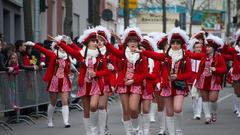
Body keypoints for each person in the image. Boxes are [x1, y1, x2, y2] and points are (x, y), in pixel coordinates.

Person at [137, 27, 191, 135]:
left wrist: (178, 76)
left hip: (179, 86)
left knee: (178, 108)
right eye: (173, 43)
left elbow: (189, 74)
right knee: (169, 112)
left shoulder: (186, 57)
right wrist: (143, 52)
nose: (175, 45)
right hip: (167, 86)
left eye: (178, 43)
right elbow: (155, 55)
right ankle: (171, 133)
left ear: (181, 45)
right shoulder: (166, 56)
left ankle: (179, 130)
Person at [56, 29, 108, 135]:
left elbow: (106, 70)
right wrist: (59, 42)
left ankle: (95, 129)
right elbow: (70, 51)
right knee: (86, 110)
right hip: (84, 84)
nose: (95, 43)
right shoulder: (81, 54)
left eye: (96, 41)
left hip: (96, 84)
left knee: (94, 106)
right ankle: (89, 132)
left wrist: (96, 74)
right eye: (93, 41)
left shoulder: (100, 55)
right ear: (88, 43)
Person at [104, 27, 148, 135]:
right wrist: (106, 42)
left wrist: (133, 80)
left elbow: (145, 74)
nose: (132, 43)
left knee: (133, 108)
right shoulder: (123, 54)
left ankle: (136, 128)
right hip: (123, 85)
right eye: (130, 41)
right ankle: (129, 132)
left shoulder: (142, 56)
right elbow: (113, 50)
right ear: (127, 43)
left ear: (138, 43)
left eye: (135, 41)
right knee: (126, 110)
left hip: (135, 84)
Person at [25, 35, 73, 128]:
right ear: (58, 47)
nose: (64, 48)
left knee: (65, 101)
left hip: (64, 80)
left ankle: (66, 121)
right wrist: (33, 44)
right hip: (54, 80)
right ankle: (49, 120)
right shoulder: (54, 55)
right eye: (62, 46)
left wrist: (70, 74)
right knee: (53, 102)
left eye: (65, 46)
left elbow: (69, 67)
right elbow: (44, 51)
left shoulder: (67, 57)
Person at [186, 34, 227, 124]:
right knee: (204, 98)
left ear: (214, 48)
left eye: (209, 47)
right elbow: (190, 55)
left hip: (214, 80)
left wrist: (216, 69)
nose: (207, 48)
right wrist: (183, 48)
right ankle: (207, 116)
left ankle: (214, 112)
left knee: (213, 99)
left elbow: (224, 69)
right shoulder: (203, 56)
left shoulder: (219, 57)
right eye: (207, 46)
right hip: (203, 80)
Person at [96, 26, 117, 135]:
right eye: (97, 40)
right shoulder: (92, 52)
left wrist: (113, 84)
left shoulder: (110, 53)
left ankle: (103, 128)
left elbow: (114, 71)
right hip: (95, 83)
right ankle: (98, 127)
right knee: (95, 106)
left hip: (106, 83)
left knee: (102, 106)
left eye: (101, 40)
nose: (99, 42)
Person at [222, 29, 240, 118]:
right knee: (237, 92)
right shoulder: (235, 50)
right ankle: (237, 108)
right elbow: (225, 51)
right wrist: (226, 43)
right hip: (237, 73)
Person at [187, 38, 204, 120]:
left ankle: (198, 113)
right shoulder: (190, 56)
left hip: (200, 76)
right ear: (193, 48)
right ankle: (195, 112)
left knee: (200, 95)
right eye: (196, 47)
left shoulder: (204, 56)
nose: (198, 49)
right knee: (193, 96)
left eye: (200, 47)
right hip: (192, 77)